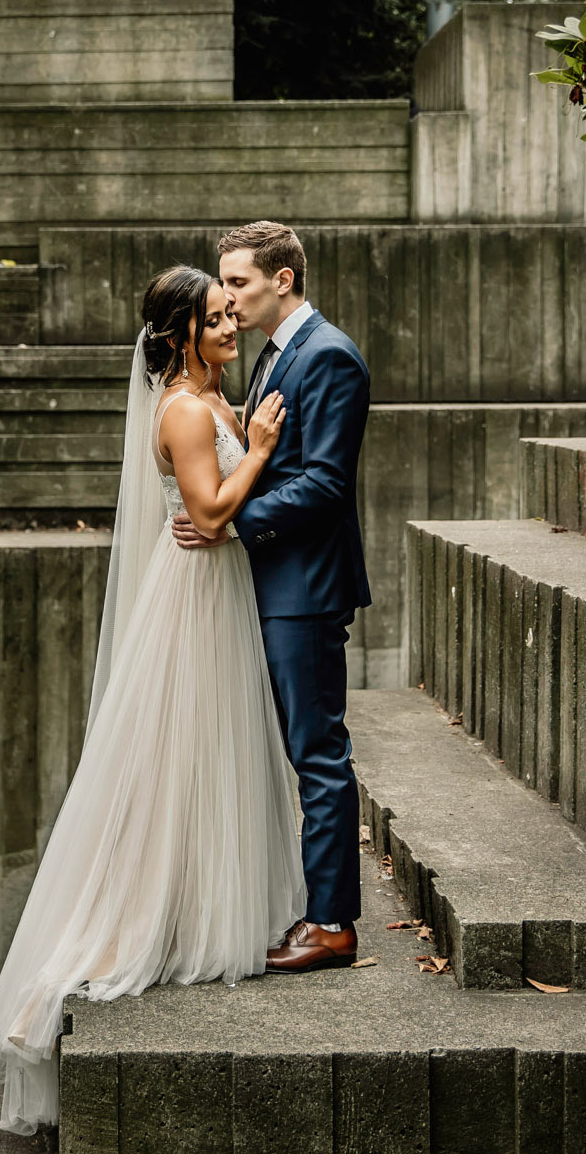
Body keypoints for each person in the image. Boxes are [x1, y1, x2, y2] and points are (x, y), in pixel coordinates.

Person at [0, 265, 305, 1135]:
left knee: (199, 754)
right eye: (216, 318)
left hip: (209, 587)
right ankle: (113, 937)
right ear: (179, 336)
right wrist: (261, 451)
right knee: (172, 756)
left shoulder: (205, 401)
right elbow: (210, 509)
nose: (232, 325)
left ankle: (191, 899)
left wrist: (247, 437)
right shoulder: (189, 411)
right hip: (196, 594)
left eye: (233, 312)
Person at [174, 221, 372, 973]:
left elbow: (325, 482)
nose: (226, 295)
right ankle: (308, 909)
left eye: (239, 281)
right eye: (225, 281)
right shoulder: (274, 355)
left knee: (318, 752)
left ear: (282, 279)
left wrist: (228, 525)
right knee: (296, 749)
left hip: (305, 589)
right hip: (273, 581)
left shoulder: (329, 357)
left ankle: (332, 925)